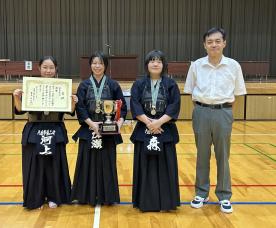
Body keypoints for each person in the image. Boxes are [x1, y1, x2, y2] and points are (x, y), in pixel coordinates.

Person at [184, 28, 247, 213]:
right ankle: (201, 193)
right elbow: (191, 92)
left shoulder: (234, 66)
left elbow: (238, 94)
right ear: (204, 44)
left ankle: (224, 195)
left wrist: (224, 111)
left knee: (223, 156)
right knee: (202, 155)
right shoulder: (196, 66)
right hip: (201, 112)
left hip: (223, 113)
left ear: (224, 43)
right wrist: (203, 109)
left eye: (217, 41)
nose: (214, 44)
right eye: (210, 41)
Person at [13, 56, 78, 210]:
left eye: (51, 68)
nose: (48, 71)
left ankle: (55, 196)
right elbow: (20, 110)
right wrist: (16, 97)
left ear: (56, 70)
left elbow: (70, 112)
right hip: (34, 130)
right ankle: (36, 198)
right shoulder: (31, 86)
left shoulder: (62, 87)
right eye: (45, 67)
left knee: (53, 165)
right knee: (35, 166)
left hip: (55, 130)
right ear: (39, 68)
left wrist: (73, 102)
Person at [71, 51, 127, 206]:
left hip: (108, 132)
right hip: (89, 129)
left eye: (100, 63)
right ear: (90, 65)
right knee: (87, 163)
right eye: (94, 63)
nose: (97, 66)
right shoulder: (84, 85)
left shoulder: (113, 85)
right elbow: (80, 108)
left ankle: (107, 196)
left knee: (107, 163)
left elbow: (122, 107)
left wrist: (118, 124)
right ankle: (86, 195)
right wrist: (92, 124)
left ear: (105, 66)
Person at [130, 50, 181, 212]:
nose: (155, 63)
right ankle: (144, 201)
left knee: (165, 166)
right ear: (147, 64)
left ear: (163, 64)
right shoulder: (138, 84)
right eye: (152, 60)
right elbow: (135, 105)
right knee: (145, 166)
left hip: (164, 129)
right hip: (144, 129)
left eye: (159, 61)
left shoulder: (170, 84)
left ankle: (166, 202)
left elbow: (174, 105)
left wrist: (158, 122)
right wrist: (149, 123)